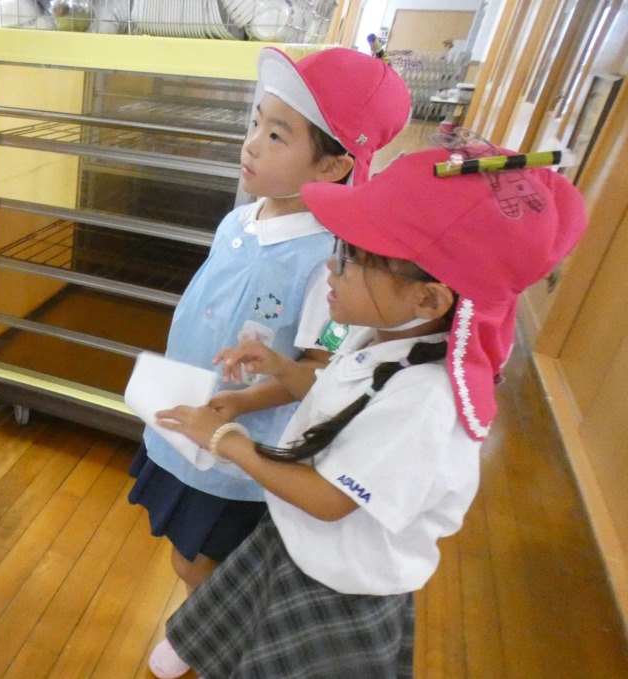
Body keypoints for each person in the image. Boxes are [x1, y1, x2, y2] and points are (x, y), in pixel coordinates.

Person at [150, 144, 587, 677]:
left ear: (428, 300)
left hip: (340, 584)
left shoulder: (424, 402)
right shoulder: (383, 335)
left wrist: (226, 440)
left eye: (351, 260)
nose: (330, 269)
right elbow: (332, 392)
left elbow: (329, 500)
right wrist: (278, 367)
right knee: (234, 622)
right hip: (298, 542)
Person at [126, 46, 411, 678]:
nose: (252, 143)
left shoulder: (327, 262)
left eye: (277, 135)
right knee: (184, 552)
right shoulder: (239, 220)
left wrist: (241, 404)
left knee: (206, 561)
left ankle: (218, 645)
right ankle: (201, 634)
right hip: (191, 421)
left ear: (334, 164)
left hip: (240, 446)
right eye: (256, 122)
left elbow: (317, 371)